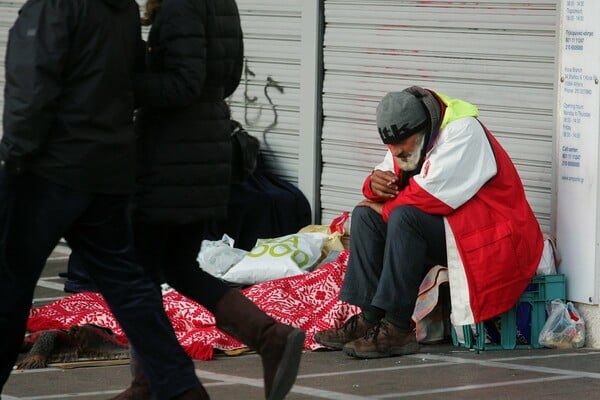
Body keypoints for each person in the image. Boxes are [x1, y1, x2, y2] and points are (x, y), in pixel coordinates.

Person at [0, 0, 211, 399]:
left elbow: (32, 86)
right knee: (127, 287)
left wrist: (15, 154)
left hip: (48, 168)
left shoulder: (54, 7)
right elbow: (131, 78)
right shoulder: (120, 8)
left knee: (9, 284)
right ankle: (180, 385)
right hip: (107, 166)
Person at [109, 0, 305, 399]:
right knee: (178, 266)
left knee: (140, 274)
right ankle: (268, 336)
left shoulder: (180, 6)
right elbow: (226, 78)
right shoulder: (218, 3)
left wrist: (121, 85)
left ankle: (151, 382)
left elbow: (183, 82)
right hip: (200, 153)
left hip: (172, 159)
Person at [314, 86, 544, 359]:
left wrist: (383, 207)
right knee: (365, 216)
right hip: (456, 233)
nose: (397, 151)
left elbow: (427, 197)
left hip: (492, 240)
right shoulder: (407, 140)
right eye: (391, 145)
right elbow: (385, 174)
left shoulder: (463, 132)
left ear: (424, 129)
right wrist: (373, 185)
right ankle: (371, 318)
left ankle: (398, 328)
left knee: (403, 216)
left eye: (403, 144)